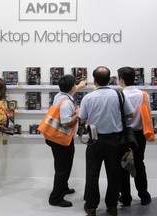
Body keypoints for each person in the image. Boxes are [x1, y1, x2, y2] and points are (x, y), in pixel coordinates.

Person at [78, 66, 134, 216]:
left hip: (94, 140)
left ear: (94, 80)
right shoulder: (120, 95)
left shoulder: (88, 98)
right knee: (114, 174)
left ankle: (91, 207)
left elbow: (82, 118)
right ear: (110, 79)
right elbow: (130, 114)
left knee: (92, 173)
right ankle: (112, 206)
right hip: (115, 141)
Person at [47, 75, 87, 207]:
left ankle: (63, 187)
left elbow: (72, 90)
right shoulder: (66, 103)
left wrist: (80, 85)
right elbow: (65, 122)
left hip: (56, 138)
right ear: (72, 87)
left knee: (61, 166)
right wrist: (78, 113)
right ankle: (56, 198)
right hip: (61, 140)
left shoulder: (60, 96)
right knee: (63, 169)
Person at [117, 66, 152, 206]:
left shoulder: (119, 95)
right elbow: (147, 113)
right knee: (139, 164)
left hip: (123, 134)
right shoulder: (143, 95)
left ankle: (126, 197)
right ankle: (144, 196)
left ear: (121, 79)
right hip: (139, 134)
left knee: (123, 165)